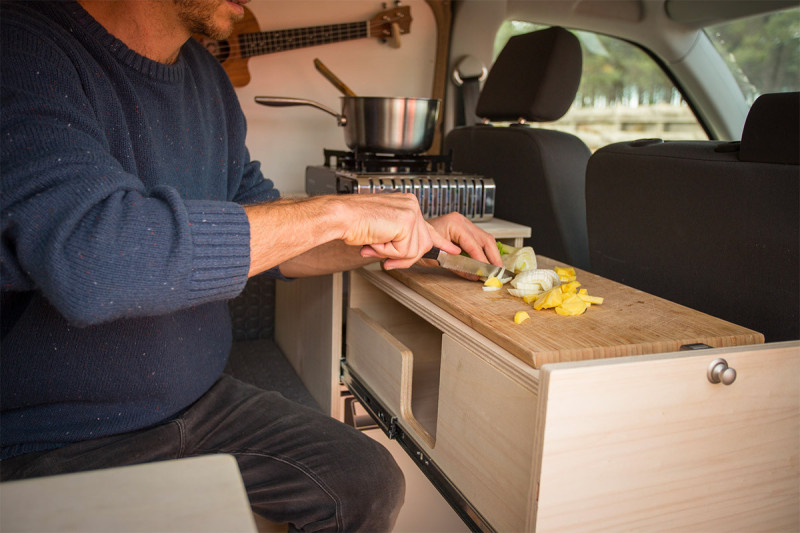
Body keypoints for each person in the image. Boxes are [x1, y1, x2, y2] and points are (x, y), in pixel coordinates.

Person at [0, 0, 503, 530]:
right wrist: (336, 211)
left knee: (366, 482)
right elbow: (96, 259)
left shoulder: (206, 77)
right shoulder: (22, 45)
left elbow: (275, 235)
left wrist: (414, 237)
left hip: (202, 404)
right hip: (53, 435)